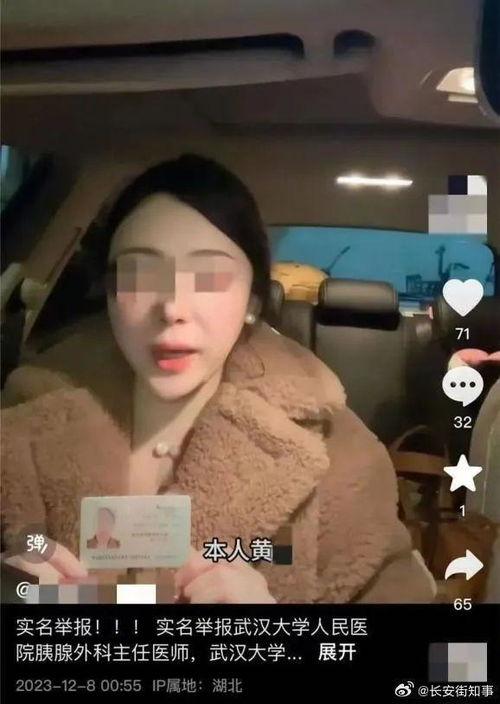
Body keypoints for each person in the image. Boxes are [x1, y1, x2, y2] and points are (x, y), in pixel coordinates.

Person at [1, 154, 435, 603]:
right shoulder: (20, 420)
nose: (172, 308)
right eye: (139, 273)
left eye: (209, 277)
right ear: (110, 294)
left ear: (253, 302)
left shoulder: (338, 456)